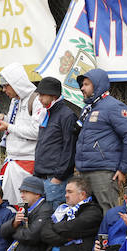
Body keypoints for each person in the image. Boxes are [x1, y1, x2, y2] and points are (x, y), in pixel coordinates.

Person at [74, 68, 127, 212]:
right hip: (84, 170)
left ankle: (112, 236)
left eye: (86, 84)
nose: (82, 88)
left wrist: (123, 169)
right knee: (88, 214)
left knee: (108, 212)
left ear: (97, 85)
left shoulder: (114, 107)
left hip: (104, 172)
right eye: (82, 85)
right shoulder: (87, 108)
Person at [42, 176, 103, 251]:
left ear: (82, 195)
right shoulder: (62, 210)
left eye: (70, 192)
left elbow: (72, 227)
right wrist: (66, 238)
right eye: (65, 192)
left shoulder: (93, 211)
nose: (66, 195)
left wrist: (56, 228)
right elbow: (44, 232)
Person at [0, 62, 43, 206]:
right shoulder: (15, 101)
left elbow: (36, 131)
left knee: (24, 205)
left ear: (16, 83)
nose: (3, 90)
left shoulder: (36, 100)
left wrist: (9, 126)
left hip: (27, 163)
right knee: (8, 204)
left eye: (6, 85)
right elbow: (16, 124)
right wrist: (4, 119)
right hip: (12, 160)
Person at [0, 176, 53, 251]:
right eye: (21, 192)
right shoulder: (25, 209)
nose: (22, 195)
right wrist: (14, 223)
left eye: (25, 192)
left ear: (37, 194)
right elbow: (3, 231)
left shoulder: (45, 210)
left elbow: (31, 236)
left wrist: (14, 230)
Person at [33, 76, 78, 208]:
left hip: (55, 179)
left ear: (53, 96)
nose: (39, 98)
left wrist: (58, 177)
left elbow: (70, 148)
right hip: (42, 177)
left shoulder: (66, 115)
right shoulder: (46, 113)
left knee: (54, 217)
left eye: (42, 95)